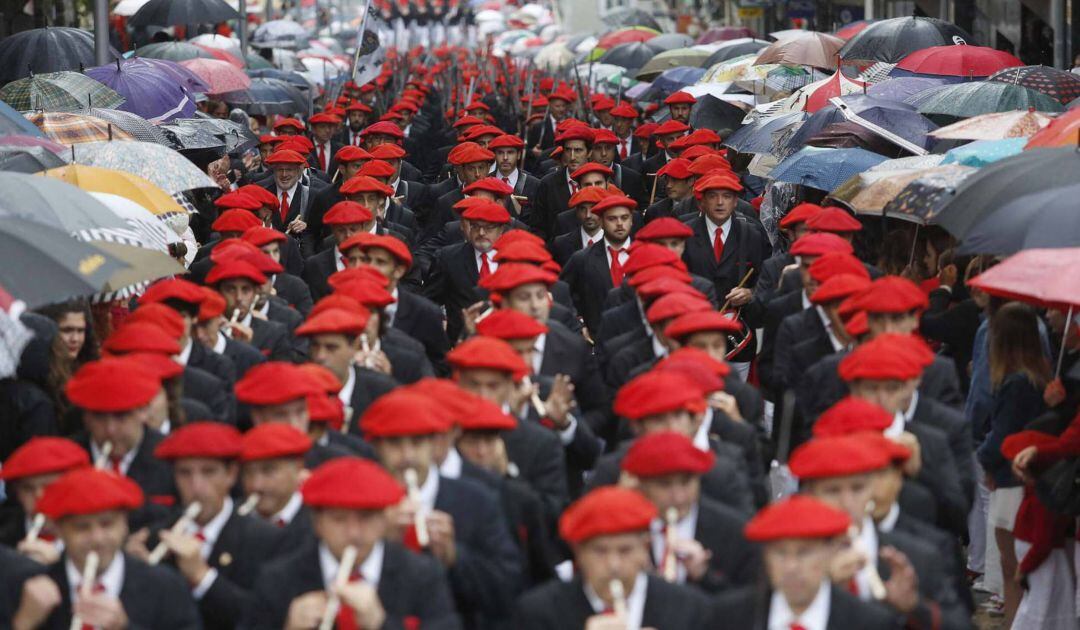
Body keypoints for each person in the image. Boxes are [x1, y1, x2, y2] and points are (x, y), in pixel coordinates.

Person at [244, 456, 461, 628]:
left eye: (366, 518)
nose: (354, 533)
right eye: (339, 520)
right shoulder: (279, 579)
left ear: (383, 520)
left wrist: (382, 624)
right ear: (318, 523)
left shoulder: (421, 575)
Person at [11, 467, 200, 629]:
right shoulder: (26, 587)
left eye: (107, 524)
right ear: (59, 530)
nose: (97, 539)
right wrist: (23, 624)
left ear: (125, 525)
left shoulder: (164, 585)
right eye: (82, 527)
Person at [513, 486, 711, 629]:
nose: (613, 565)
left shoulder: (688, 608)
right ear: (578, 552)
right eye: (600, 551)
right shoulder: (540, 613)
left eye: (625, 550)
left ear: (645, 548)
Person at [708, 495, 899, 628]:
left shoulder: (869, 623)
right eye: (780, 553)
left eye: (804, 553)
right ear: (766, 556)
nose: (791, 567)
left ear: (830, 552)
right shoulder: (730, 617)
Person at [976, 302, 1051, 626]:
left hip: (1011, 481)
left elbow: (1003, 435)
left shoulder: (1016, 382)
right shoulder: (1040, 375)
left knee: (1012, 566)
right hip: (1028, 479)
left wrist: (985, 460)